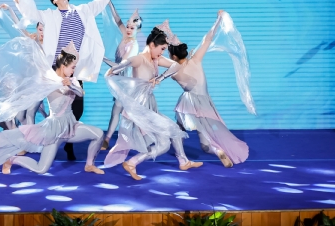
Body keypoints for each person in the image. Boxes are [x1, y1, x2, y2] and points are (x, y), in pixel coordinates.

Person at [7, 0, 116, 160]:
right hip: (57, 69)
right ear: (53, 0)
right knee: (55, 108)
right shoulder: (49, 15)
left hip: (76, 68)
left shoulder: (83, 10)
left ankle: (67, 139)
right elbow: (30, 12)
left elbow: (100, 2)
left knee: (78, 107)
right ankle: (45, 142)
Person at [0, 42, 104, 175]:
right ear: (63, 66)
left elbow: (80, 93)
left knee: (99, 134)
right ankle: (12, 159)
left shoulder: (73, 81)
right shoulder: (49, 81)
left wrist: (70, 85)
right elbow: (32, 88)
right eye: (72, 67)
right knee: (41, 169)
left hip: (71, 126)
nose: (73, 71)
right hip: (54, 131)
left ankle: (89, 165)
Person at [104, 22, 202, 180]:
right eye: (162, 49)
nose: (163, 52)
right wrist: (112, 70)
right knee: (165, 142)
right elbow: (124, 64)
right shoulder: (140, 59)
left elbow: (176, 66)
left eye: (164, 49)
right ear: (151, 45)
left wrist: (160, 77)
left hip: (149, 105)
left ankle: (182, 161)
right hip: (141, 108)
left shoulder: (155, 60)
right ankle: (133, 162)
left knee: (172, 133)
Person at [169, 10, 253, 167]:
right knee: (205, 140)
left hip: (188, 104)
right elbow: (208, 38)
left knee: (178, 128)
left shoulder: (174, 72)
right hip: (205, 103)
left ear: (173, 56)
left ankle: (181, 156)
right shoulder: (196, 59)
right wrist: (218, 19)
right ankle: (217, 149)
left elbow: (171, 64)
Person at [101, 1, 142, 150]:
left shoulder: (134, 46)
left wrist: (103, 59)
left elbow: (120, 66)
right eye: (128, 26)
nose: (128, 29)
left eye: (132, 28)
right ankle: (108, 139)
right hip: (120, 79)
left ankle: (136, 139)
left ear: (138, 29)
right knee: (117, 111)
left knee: (125, 111)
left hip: (127, 81)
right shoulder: (126, 35)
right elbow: (117, 19)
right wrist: (109, 2)